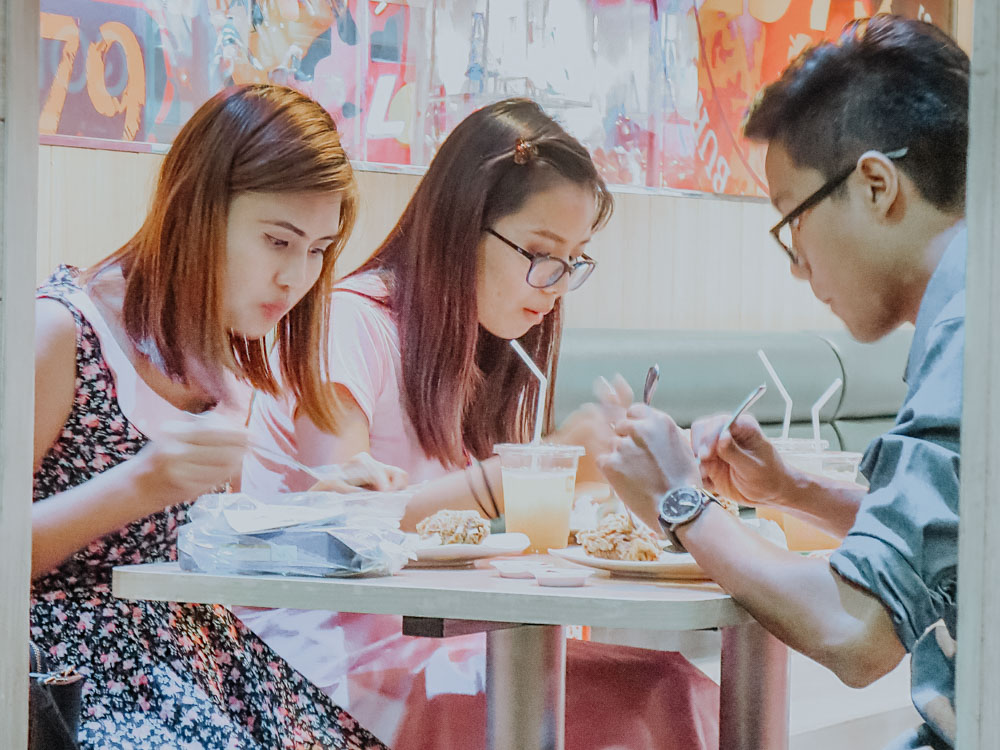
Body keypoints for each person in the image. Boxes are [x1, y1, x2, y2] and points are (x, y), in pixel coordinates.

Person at [241, 98, 722, 750]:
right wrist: (525, 474)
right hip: (325, 676)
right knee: (661, 695)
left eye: (574, 260)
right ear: (462, 224)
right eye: (540, 252)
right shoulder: (352, 324)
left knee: (667, 686)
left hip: (444, 643)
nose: (553, 284)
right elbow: (342, 526)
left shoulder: (481, 352)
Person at [600, 15, 967, 750]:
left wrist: (681, 502)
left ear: (874, 185)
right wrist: (789, 491)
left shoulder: (972, 326)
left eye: (790, 219)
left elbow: (853, 633)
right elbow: (961, 546)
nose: (797, 267)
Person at [31, 83, 391, 749]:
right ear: (196, 210)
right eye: (278, 241)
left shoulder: (220, 350)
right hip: (62, 675)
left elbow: (192, 550)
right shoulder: (60, 332)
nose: (297, 277)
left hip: (193, 656)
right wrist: (137, 484)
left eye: (318, 249)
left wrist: (310, 514)